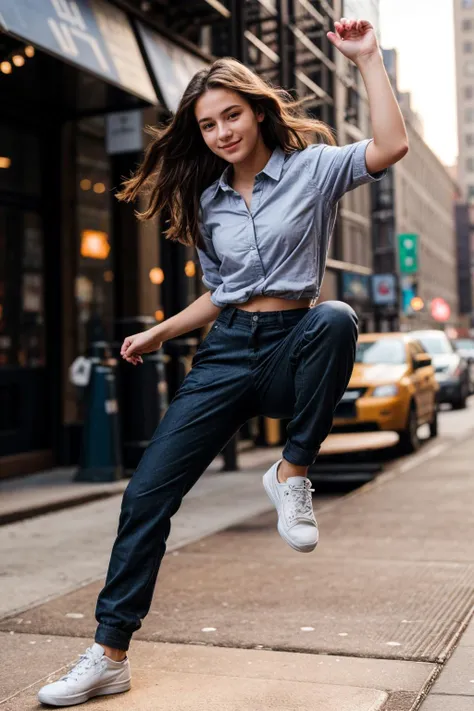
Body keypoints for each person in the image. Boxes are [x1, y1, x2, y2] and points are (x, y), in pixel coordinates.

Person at [38, 17, 408, 707]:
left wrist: (366, 62)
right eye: (208, 125)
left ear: (258, 111)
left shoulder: (314, 169)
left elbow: (391, 145)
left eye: (231, 115)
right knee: (146, 493)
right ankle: (108, 653)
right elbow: (224, 292)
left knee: (335, 316)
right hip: (226, 354)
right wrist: (160, 332)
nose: (222, 133)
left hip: (295, 346)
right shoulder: (208, 202)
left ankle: (292, 471)